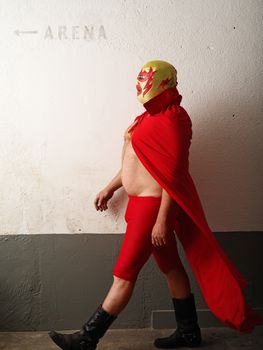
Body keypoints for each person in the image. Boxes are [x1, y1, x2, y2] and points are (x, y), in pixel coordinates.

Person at [48, 60, 263, 350]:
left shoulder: (174, 119)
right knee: (171, 267)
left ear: (163, 82)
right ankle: (189, 333)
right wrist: (110, 188)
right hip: (137, 204)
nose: (141, 83)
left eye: (147, 78)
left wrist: (163, 220)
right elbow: (135, 163)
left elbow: (173, 176)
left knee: (123, 274)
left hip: (153, 208)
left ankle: (87, 338)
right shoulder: (146, 118)